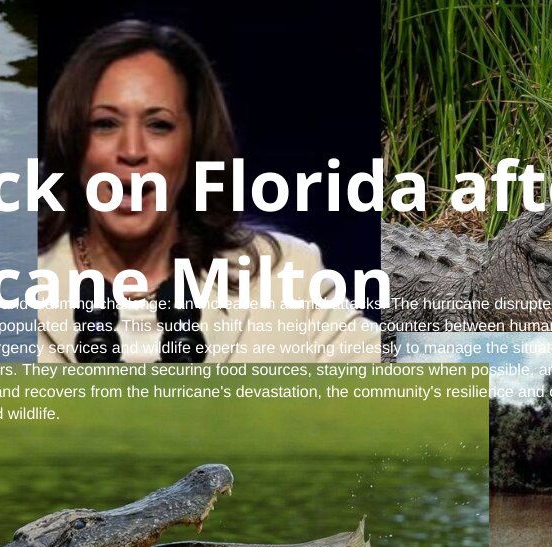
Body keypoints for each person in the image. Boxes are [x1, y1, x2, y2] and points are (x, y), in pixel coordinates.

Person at [37, 20, 379, 363]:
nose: (131, 150)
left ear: (194, 145)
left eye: (159, 125)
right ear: (73, 142)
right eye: (105, 124)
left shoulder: (286, 276)